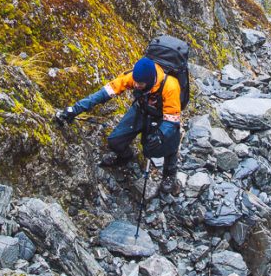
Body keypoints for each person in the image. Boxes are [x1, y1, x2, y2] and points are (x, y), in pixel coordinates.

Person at [55, 57, 182, 194]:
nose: (136, 85)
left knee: (157, 146)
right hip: (140, 110)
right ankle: (125, 156)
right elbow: (103, 93)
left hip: (161, 117)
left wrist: (160, 135)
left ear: (150, 81)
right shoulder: (131, 77)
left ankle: (170, 173)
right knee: (114, 141)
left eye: (141, 84)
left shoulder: (171, 86)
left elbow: (172, 120)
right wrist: (75, 109)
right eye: (136, 82)